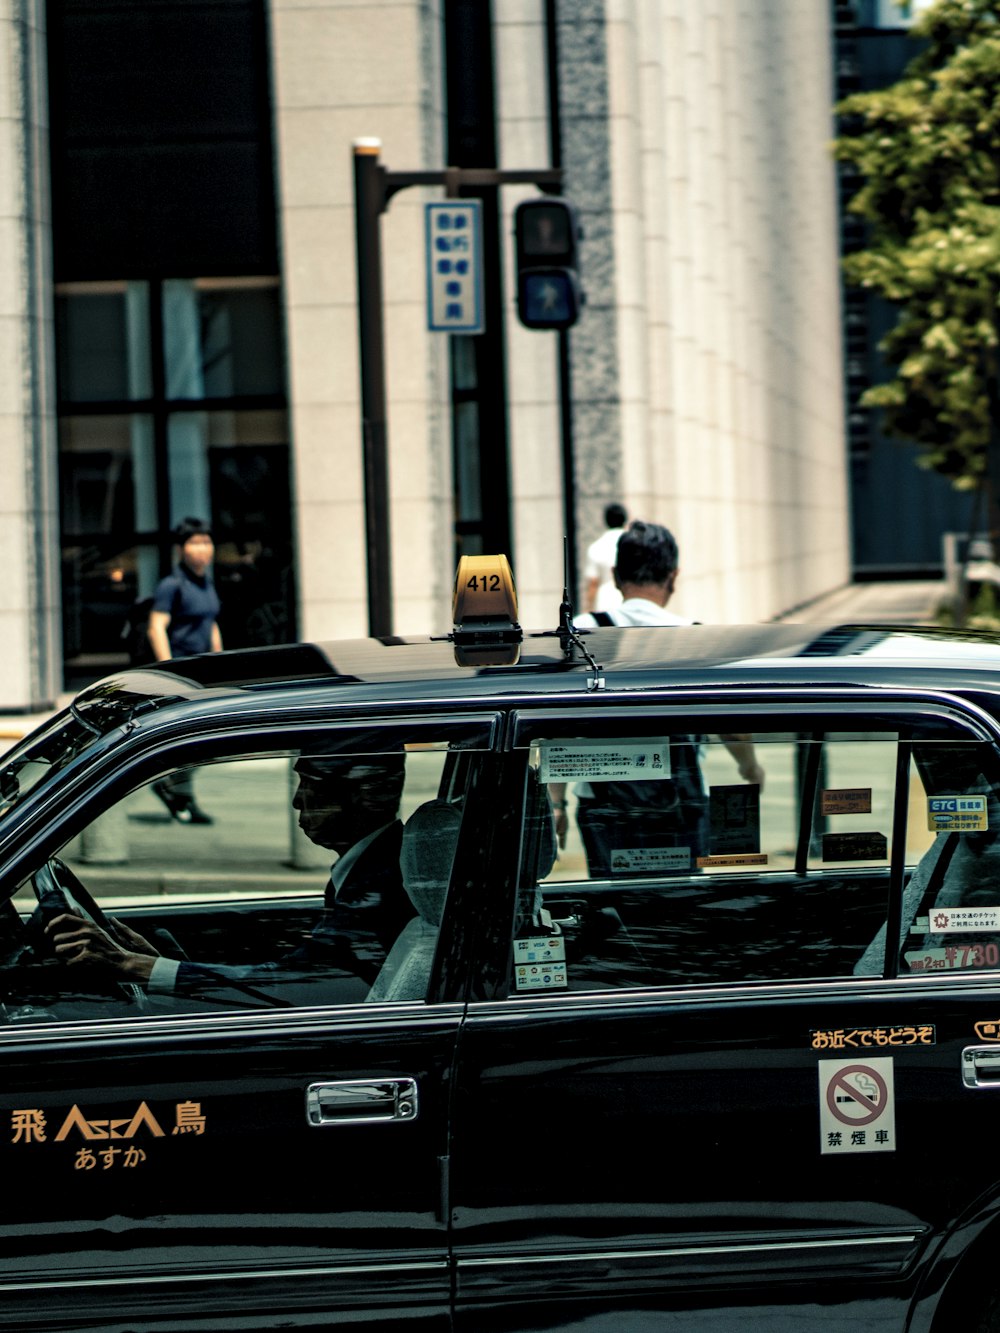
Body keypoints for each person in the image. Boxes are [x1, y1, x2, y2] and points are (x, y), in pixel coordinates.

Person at [45, 755, 414, 1003]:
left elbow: (296, 984)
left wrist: (133, 965)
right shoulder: (377, 868)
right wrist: (155, 961)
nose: (297, 801)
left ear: (365, 796)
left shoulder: (381, 887)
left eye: (311, 784)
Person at [553, 519, 764, 872]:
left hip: (604, 808)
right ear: (673, 576)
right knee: (678, 908)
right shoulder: (695, 640)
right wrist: (750, 767)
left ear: (617, 576)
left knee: (612, 910)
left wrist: (556, 803)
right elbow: (732, 727)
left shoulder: (584, 632)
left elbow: (559, 724)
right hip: (680, 806)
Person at [149, 517, 223, 825]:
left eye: (206, 542)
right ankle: (176, 791)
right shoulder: (171, 585)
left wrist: (221, 662)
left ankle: (176, 791)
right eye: (195, 543)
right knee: (197, 741)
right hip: (183, 675)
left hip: (204, 674)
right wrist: (170, 674)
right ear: (181, 549)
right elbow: (156, 628)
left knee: (204, 743)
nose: (202, 549)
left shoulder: (206, 583)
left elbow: (210, 622)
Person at [583, 503, 628, 613]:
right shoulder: (633, 546)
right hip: (628, 600)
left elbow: (593, 583)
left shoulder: (596, 547)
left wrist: (588, 608)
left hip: (604, 601)